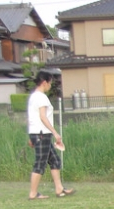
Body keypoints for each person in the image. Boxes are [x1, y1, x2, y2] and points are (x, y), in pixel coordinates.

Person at [27, 71, 75, 200]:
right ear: (44, 83)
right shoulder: (41, 97)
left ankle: (59, 189)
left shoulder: (33, 97)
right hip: (42, 134)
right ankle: (33, 193)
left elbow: (31, 118)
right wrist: (55, 133)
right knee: (40, 163)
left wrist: (30, 136)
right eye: (50, 83)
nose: (50, 86)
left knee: (55, 160)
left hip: (37, 134)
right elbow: (43, 117)